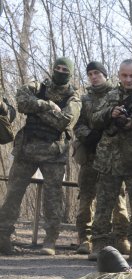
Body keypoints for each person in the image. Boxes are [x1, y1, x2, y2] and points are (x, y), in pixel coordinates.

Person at [0, 57, 81, 255]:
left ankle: (50, 240)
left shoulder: (74, 97)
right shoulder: (38, 86)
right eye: (57, 68)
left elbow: (65, 121)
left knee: (52, 198)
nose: (60, 72)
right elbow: (21, 102)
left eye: (65, 69)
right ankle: (2, 236)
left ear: (70, 73)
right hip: (26, 150)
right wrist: (46, 105)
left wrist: (35, 109)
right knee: (13, 195)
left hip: (54, 153)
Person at [88, 60, 132, 263]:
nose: (128, 80)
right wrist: (111, 113)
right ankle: (99, 244)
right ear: (119, 76)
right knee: (104, 204)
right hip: (109, 159)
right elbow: (94, 118)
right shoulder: (111, 95)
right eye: (124, 76)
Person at [73, 61, 130, 256]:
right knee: (86, 198)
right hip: (90, 154)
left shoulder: (117, 94)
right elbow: (77, 124)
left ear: (105, 74)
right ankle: (85, 238)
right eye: (90, 74)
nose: (93, 76)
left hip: (114, 154)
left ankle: (121, 237)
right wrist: (87, 136)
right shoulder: (84, 99)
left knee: (117, 199)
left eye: (97, 73)